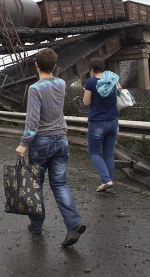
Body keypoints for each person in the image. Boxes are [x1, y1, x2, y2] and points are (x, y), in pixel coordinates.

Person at [15, 48, 86, 247]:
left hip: (41, 143)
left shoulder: (35, 89)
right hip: (61, 140)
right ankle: (74, 223)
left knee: (35, 185)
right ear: (54, 65)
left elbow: (33, 122)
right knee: (60, 184)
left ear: (36, 65)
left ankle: (36, 225)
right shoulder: (61, 83)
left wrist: (23, 144)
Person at [83, 57, 120, 193]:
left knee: (94, 152)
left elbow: (86, 102)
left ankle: (106, 180)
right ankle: (109, 184)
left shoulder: (91, 82)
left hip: (97, 123)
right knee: (108, 154)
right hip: (113, 122)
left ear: (92, 69)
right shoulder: (112, 80)